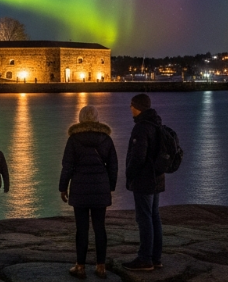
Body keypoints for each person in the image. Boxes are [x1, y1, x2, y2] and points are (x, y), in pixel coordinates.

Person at [59, 106, 118, 279]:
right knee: (100, 228)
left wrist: (63, 187)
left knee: (82, 229)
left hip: (79, 188)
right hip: (100, 187)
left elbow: (67, 166)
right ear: (97, 118)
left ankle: (80, 266)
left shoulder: (73, 139)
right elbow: (113, 166)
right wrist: (110, 187)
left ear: (80, 119)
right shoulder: (106, 139)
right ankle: (101, 267)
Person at [123, 93, 164, 271]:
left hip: (144, 179)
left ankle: (145, 259)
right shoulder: (156, 124)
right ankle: (156, 258)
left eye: (132, 105)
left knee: (145, 218)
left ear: (138, 107)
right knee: (154, 217)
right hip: (157, 177)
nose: (130, 108)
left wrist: (129, 174)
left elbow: (138, 156)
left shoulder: (141, 128)